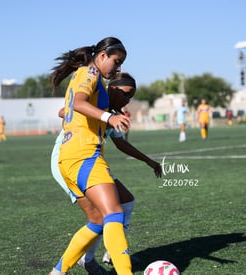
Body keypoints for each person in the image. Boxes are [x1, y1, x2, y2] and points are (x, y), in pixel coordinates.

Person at [50, 73, 162, 274]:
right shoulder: (98, 102)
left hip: (90, 160)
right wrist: (100, 115)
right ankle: (87, 259)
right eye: (126, 94)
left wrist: (148, 160)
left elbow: (121, 144)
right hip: (68, 159)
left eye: (131, 97)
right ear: (112, 89)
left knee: (126, 201)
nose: (128, 100)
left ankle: (112, 251)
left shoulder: (113, 112)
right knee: (100, 217)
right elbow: (63, 111)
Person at [49, 37, 134, 275]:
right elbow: (77, 102)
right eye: (116, 62)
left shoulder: (85, 75)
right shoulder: (90, 72)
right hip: (84, 155)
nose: (118, 69)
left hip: (70, 158)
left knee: (97, 221)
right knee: (114, 212)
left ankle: (57, 273)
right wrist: (110, 117)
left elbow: (69, 107)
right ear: (103, 55)